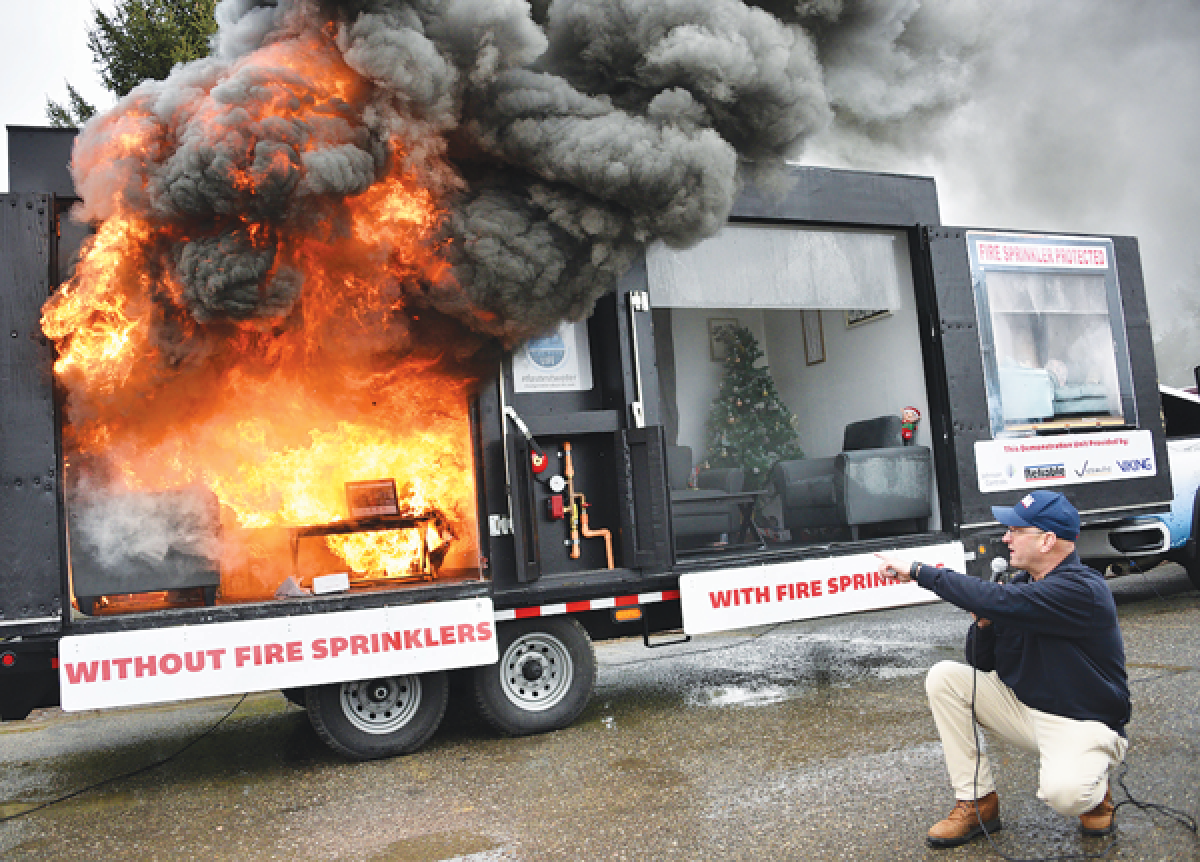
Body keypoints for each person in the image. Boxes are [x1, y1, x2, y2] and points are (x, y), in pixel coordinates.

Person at [875, 490, 1130, 848]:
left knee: (1066, 795)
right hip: (1026, 712)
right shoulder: (1021, 587)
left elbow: (998, 600)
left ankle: (1096, 791)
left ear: (1047, 540)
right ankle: (979, 804)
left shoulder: (1082, 589)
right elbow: (982, 663)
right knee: (945, 679)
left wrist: (919, 572)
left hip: (1080, 722)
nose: (1006, 538)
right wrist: (984, 625)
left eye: (1015, 530)